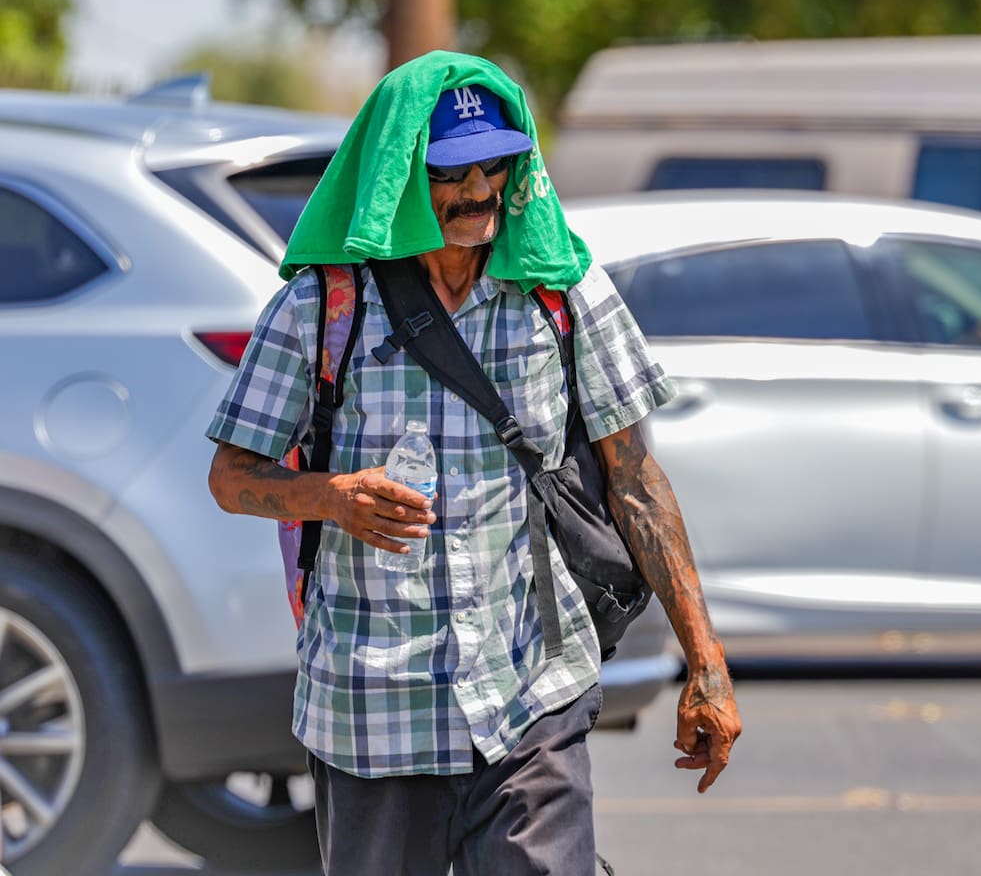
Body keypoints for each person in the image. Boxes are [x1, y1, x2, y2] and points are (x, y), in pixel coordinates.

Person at [206, 51, 741, 876]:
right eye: (452, 171)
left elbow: (636, 482)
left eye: (498, 163)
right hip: (373, 710)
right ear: (397, 177)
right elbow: (232, 478)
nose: (482, 191)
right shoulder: (324, 306)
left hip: (530, 694)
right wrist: (331, 497)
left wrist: (706, 663)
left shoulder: (560, 292)